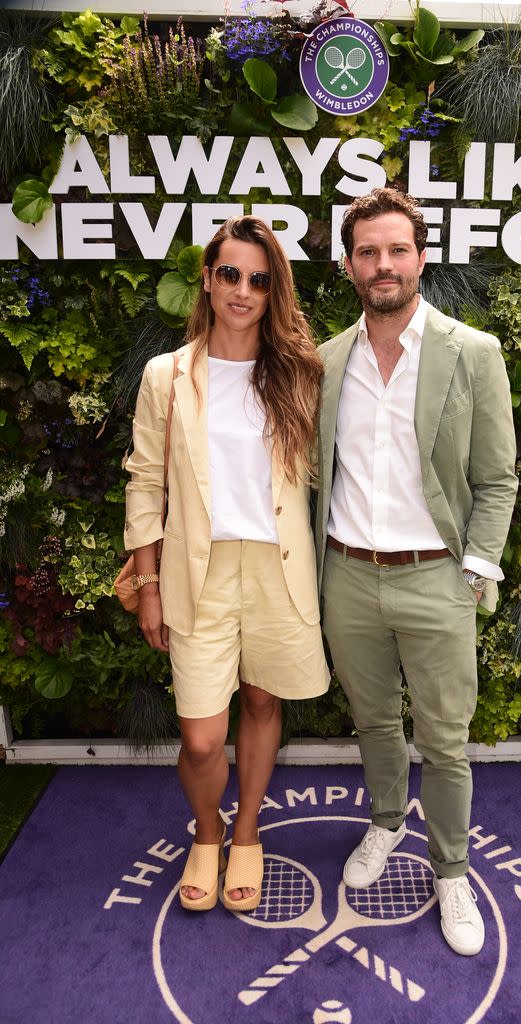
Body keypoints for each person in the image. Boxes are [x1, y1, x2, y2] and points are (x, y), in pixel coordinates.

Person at [314, 188, 517, 956]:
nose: (383, 264)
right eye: (368, 251)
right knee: (373, 722)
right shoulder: (327, 360)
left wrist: (474, 567)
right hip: (347, 577)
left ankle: (453, 870)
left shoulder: (475, 352)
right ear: (348, 265)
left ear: (422, 258)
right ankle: (388, 824)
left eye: (397, 249)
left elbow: (497, 478)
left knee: (446, 739)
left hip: (437, 578)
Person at [124, 215, 329, 913]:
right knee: (203, 735)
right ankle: (204, 832)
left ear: (275, 292)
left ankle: (246, 833)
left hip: (278, 566)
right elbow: (146, 479)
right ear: (207, 280)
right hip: (196, 571)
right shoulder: (167, 376)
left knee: (264, 700)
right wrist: (147, 583)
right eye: (231, 274)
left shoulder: (299, 370)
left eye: (260, 279)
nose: (243, 290)